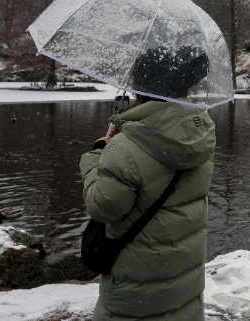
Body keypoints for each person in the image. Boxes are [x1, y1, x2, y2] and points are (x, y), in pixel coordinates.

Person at [79, 46, 215, 321]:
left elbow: (102, 208)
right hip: (184, 288)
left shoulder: (124, 148)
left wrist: (96, 155)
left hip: (136, 296)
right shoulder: (201, 136)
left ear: (141, 89)